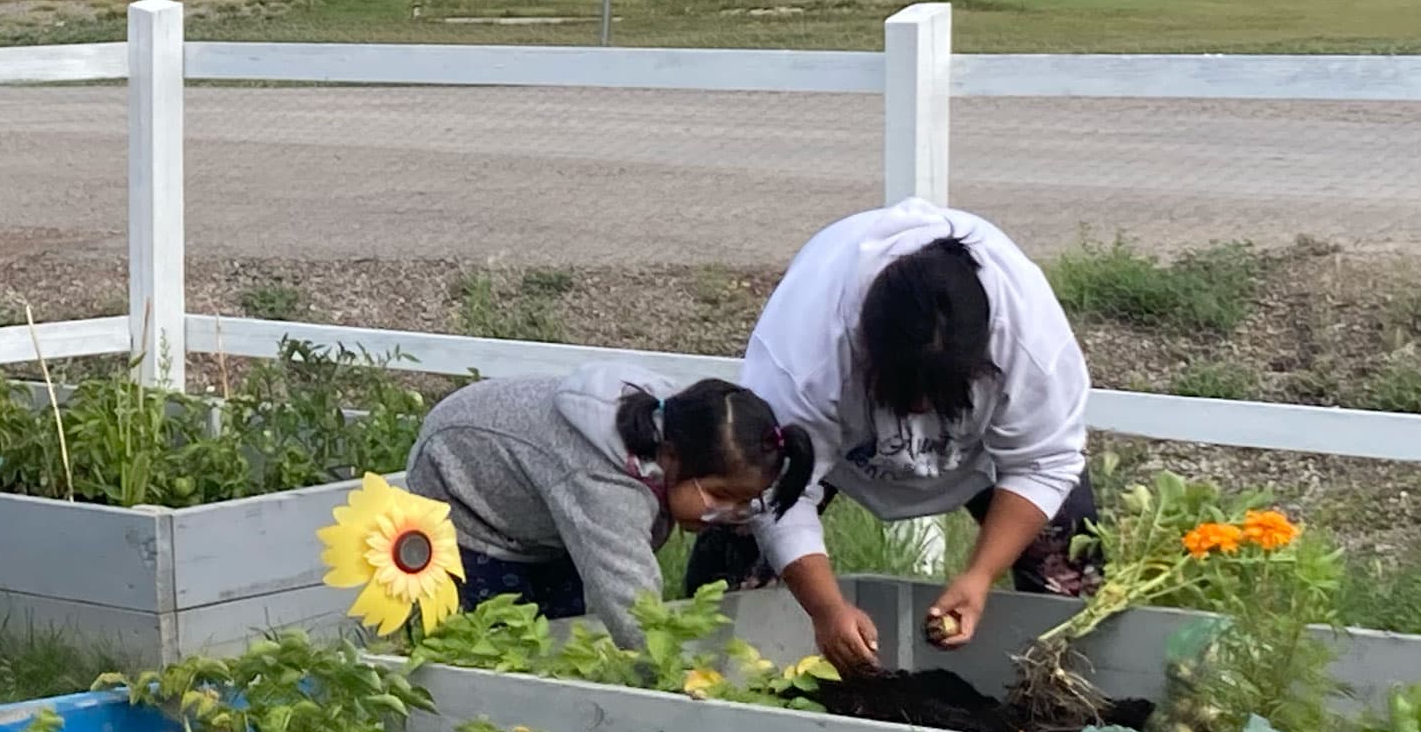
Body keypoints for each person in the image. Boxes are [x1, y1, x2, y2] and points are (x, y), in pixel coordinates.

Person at [688, 199, 1098, 674]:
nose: (920, 409)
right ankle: (708, 691)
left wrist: (979, 576)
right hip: (830, 448)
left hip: (979, 456)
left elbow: (1043, 463)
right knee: (726, 570)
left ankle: (1067, 701)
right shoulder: (806, 350)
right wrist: (826, 609)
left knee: (1071, 570)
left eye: (941, 393)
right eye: (903, 392)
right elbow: (776, 488)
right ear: (863, 348)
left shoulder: (1031, 342)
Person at [405, 369, 813, 649]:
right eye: (721, 495)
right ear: (672, 455)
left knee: (562, 631)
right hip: (464, 494)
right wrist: (680, 681)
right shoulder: (603, 483)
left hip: (537, 497)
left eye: (745, 502)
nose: (728, 513)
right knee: (497, 642)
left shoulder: (680, 427)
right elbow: (633, 608)